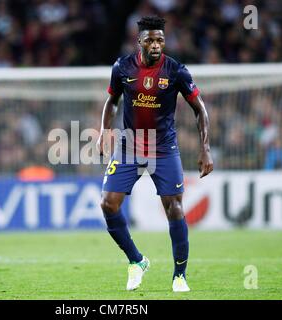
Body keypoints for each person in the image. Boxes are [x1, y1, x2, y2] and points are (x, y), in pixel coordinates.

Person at [97, 16, 213, 292]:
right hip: (129, 146)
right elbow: (112, 101)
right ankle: (136, 261)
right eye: (150, 39)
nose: (156, 44)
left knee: (174, 208)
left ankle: (179, 276)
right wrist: (104, 130)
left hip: (163, 148)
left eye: (160, 39)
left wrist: (205, 148)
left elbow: (200, 109)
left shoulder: (176, 71)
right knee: (107, 204)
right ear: (139, 41)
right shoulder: (122, 67)